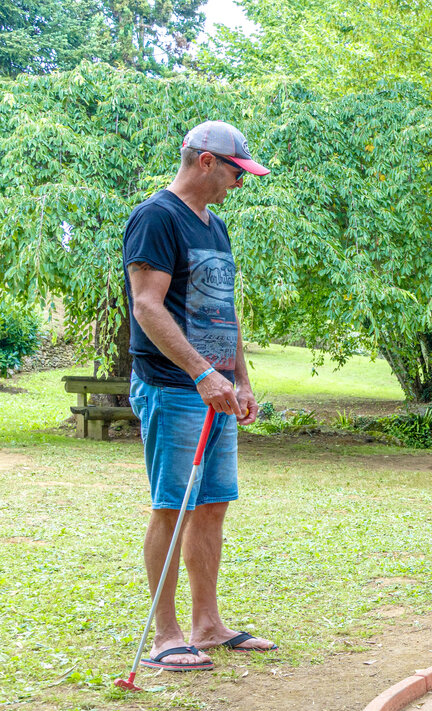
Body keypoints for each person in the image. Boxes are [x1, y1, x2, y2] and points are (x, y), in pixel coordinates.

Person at [124, 120, 273, 672]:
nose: (242, 182)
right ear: (206, 161)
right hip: (175, 387)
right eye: (238, 171)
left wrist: (239, 377)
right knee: (173, 505)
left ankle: (207, 625)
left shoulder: (216, 226)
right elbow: (147, 305)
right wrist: (201, 374)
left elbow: (223, 307)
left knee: (213, 505)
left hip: (218, 389)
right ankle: (167, 636)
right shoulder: (157, 217)